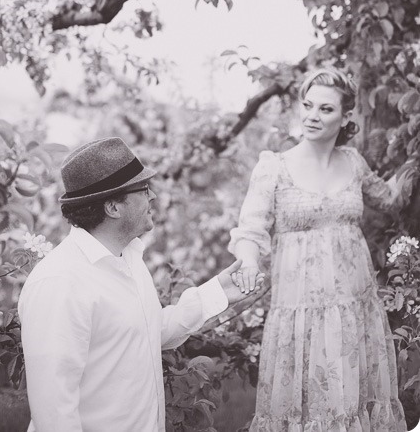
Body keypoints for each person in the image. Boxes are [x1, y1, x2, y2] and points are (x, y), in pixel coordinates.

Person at [19, 136, 263, 432]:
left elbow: (148, 333)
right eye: (143, 189)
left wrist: (217, 293)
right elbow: (54, 415)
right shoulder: (60, 283)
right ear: (113, 207)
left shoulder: (128, 258)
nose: (154, 197)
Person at [229, 67, 407, 431]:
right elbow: (251, 228)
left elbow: (388, 199)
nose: (312, 116)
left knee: (355, 404)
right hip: (299, 318)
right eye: (307, 105)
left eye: (325, 109)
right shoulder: (274, 167)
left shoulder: (354, 164)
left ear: (346, 116)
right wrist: (247, 259)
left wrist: (412, 166)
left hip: (356, 312)